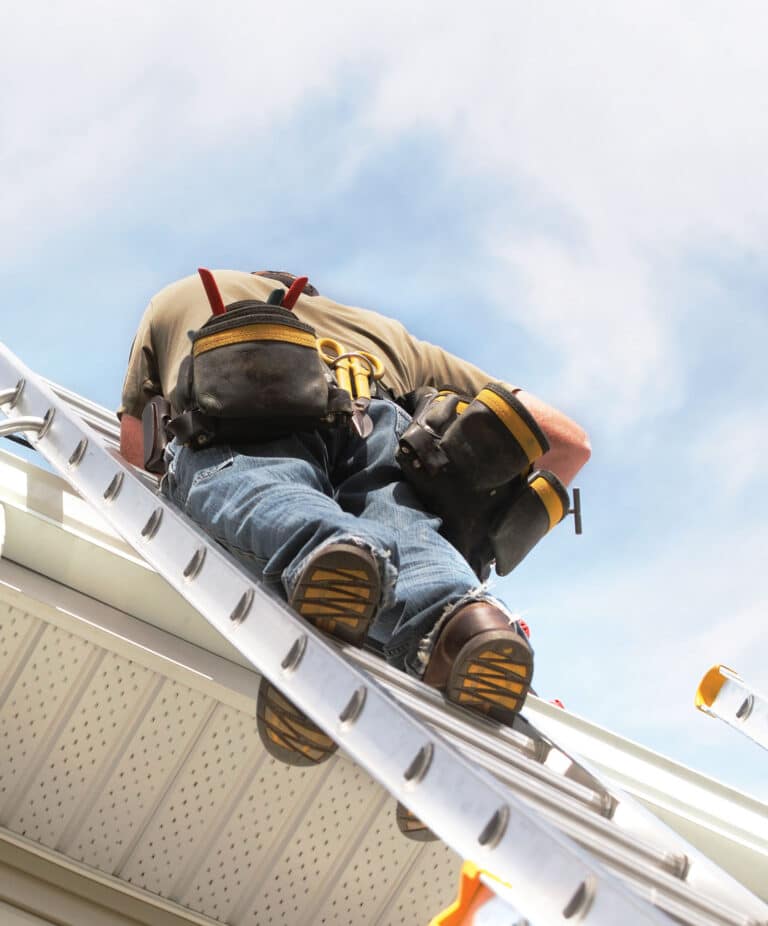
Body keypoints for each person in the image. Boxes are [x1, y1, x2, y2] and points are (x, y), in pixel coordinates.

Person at [119, 269, 590, 835]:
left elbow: (130, 455)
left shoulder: (180, 298)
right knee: (410, 535)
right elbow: (566, 441)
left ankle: (327, 562)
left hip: (245, 391)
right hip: (379, 423)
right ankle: (467, 621)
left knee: (256, 485)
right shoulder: (386, 335)